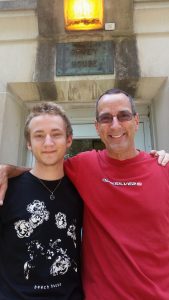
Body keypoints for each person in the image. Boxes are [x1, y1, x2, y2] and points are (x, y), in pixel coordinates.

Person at [0, 89, 169, 299]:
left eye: (123, 115)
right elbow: (46, 167)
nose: (115, 125)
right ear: (97, 127)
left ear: (136, 120)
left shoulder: (163, 169)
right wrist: (7, 170)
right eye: (106, 118)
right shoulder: (85, 166)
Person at [0, 102, 83, 300]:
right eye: (38, 135)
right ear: (28, 143)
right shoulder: (5, 189)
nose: (48, 143)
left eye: (56, 134)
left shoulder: (82, 189)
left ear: (69, 139)